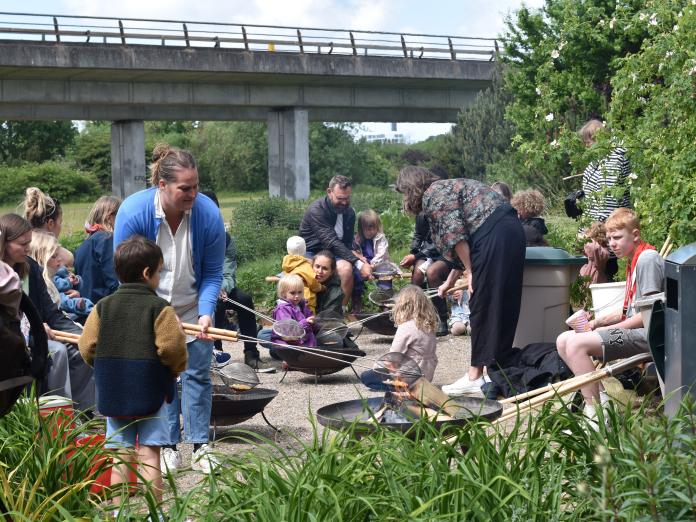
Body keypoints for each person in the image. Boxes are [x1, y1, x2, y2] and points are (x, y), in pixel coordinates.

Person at [113, 143, 225, 475]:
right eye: (185, 188)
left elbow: (213, 273)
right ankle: (168, 446)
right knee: (163, 377)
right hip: (147, 307)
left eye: (196, 186)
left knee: (198, 376)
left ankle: (201, 444)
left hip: (194, 307)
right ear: (162, 185)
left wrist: (206, 311)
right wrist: (158, 312)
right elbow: (125, 274)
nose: (193, 194)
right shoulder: (134, 212)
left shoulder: (208, 214)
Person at [395, 166, 526, 396]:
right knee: (501, 300)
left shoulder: (433, 194)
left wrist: (470, 270)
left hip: (493, 233)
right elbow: (460, 239)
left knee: (481, 302)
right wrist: (450, 281)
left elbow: (455, 235)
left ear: (411, 188)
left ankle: (475, 375)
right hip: (510, 229)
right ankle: (497, 370)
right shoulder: (446, 187)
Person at [78, 236, 187, 508]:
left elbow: (87, 346)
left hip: (114, 392)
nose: (159, 277)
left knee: (120, 453)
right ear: (147, 273)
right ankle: (153, 512)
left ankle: (118, 512)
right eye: (159, 271)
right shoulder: (159, 308)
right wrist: (176, 370)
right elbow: (171, 347)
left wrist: (106, 368)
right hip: (151, 390)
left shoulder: (103, 306)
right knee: (150, 452)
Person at [556, 208, 663, 428]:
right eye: (609, 239)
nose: (612, 244)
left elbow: (650, 316)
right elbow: (630, 310)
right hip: (635, 332)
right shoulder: (635, 259)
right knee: (563, 340)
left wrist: (606, 332)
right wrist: (596, 322)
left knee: (576, 345)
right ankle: (602, 401)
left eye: (617, 238)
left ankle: (595, 415)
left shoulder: (647, 260)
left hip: (647, 336)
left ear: (635, 235)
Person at [0, 213, 94, 410]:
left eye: (29, 243)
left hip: (38, 334)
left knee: (83, 350)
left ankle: (82, 414)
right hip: (11, 339)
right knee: (57, 352)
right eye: (22, 244)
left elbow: (52, 313)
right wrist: (33, 326)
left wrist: (84, 335)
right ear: (4, 242)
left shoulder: (30, 268)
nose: (28, 248)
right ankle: (58, 416)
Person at [200, 191, 270, 371]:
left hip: (221, 284)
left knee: (244, 299)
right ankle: (216, 352)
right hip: (198, 287)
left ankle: (251, 352)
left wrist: (221, 287)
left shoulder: (227, 239)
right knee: (215, 305)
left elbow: (228, 270)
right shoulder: (193, 233)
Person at [298, 175, 372, 306]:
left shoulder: (349, 213)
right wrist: (359, 265)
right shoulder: (316, 210)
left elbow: (347, 243)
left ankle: (339, 311)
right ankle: (307, 311)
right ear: (329, 192)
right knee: (311, 269)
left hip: (335, 252)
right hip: (312, 251)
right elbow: (331, 241)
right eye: (340, 198)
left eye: (347, 198)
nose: (344, 202)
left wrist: (355, 254)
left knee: (345, 268)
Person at [578, 118, 632, 281]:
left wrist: (595, 233)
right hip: (594, 233)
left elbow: (608, 202)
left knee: (604, 277)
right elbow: (591, 201)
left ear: (598, 139)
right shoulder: (595, 163)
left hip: (606, 234)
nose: (586, 146)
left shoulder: (613, 161)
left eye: (588, 141)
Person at [360, 285, 438, 391]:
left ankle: (399, 388)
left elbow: (393, 357)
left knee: (366, 377)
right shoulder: (429, 325)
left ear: (401, 306)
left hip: (410, 377)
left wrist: (377, 366)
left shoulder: (406, 327)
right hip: (427, 375)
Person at [400, 213, 460, 336]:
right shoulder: (420, 212)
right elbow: (418, 235)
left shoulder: (440, 210)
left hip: (447, 253)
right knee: (417, 273)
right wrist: (413, 253)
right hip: (427, 254)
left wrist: (415, 256)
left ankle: (441, 319)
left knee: (432, 272)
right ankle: (416, 315)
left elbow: (441, 242)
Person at [29, 229, 93, 320]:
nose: (59, 259)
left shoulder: (56, 272)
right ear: (41, 260)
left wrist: (76, 281)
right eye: (53, 256)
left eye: (58, 255)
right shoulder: (43, 283)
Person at [74, 196, 121, 304]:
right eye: (120, 216)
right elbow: (114, 281)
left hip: (87, 308)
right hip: (105, 307)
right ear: (110, 217)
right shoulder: (107, 239)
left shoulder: (84, 244)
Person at [270, 274, 318, 348]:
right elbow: (288, 331)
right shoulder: (283, 309)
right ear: (283, 293)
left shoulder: (301, 304)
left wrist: (313, 320)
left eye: (300, 292)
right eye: (293, 293)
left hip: (302, 340)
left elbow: (310, 316)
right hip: (288, 344)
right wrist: (306, 323)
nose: (297, 296)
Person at [282, 236, 324, 313]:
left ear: (288, 250)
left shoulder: (287, 264)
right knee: (309, 321)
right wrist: (322, 287)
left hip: (290, 297)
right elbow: (313, 283)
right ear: (304, 250)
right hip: (305, 299)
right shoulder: (305, 266)